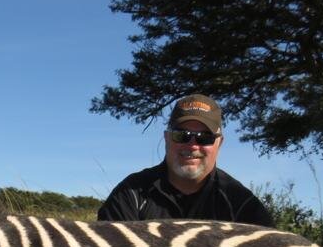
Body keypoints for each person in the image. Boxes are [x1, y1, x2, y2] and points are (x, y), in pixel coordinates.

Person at [97, 94, 274, 227]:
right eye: (182, 135)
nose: (192, 145)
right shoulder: (130, 195)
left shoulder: (241, 204)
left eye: (205, 138)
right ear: (167, 138)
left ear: (219, 143)